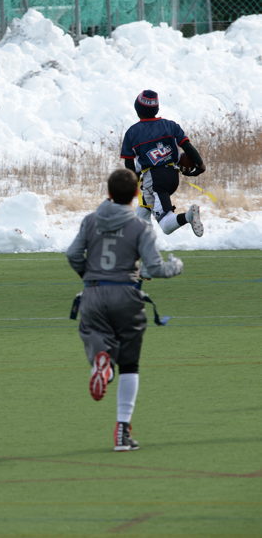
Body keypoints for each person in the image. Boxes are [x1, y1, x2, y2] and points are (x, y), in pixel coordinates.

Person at [66, 168, 183, 452]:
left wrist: (89, 277)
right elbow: (154, 268)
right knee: (130, 364)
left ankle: (103, 367)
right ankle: (122, 432)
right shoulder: (139, 227)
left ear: (108, 192)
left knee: (95, 335)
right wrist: (175, 266)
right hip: (126, 294)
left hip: (94, 293)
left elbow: (73, 254)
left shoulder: (90, 221)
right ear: (136, 194)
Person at [120, 90, 206, 238]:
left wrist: (133, 182)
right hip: (172, 176)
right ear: (157, 109)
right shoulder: (170, 125)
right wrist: (200, 165)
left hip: (154, 180)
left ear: (136, 109)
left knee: (166, 225)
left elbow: (129, 163)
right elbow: (187, 147)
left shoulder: (132, 133)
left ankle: (188, 216)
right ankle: (141, 246)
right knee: (143, 211)